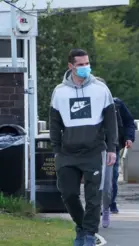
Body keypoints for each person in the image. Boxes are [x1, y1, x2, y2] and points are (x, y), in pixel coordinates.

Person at [50, 49, 117, 246]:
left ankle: (88, 235)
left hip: (93, 151)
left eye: (87, 63)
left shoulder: (101, 89)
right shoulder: (59, 92)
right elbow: (54, 123)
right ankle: (82, 225)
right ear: (70, 66)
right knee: (68, 193)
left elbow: (111, 121)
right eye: (80, 65)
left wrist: (112, 148)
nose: (85, 68)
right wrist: (56, 150)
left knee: (93, 196)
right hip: (67, 152)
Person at [95, 77, 136, 228]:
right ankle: (97, 205)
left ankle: (109, 204)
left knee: (110, 177)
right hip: (92, 147)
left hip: (112, 146)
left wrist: (129, 138)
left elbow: (129, 122)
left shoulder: (116, 104)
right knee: (94, 177)